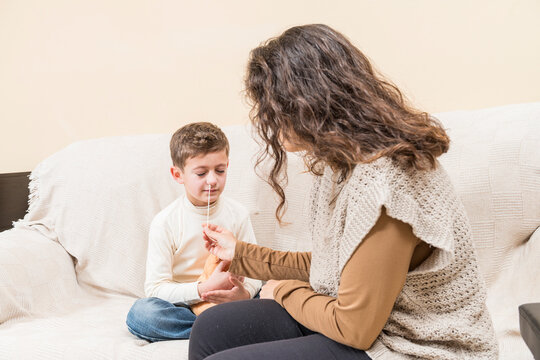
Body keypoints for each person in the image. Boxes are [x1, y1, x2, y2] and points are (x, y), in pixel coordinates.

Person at [188, 24, 498, 359]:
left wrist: (280, 291)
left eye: (271, 106)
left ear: (306, 102)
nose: (265, 118)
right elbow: (336, 267)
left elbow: (354, 328)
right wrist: (243, 255)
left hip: (414, 347)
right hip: (373, 327)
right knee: (212, 328)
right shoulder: (342, 163)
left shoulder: (386, 186)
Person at [126, 122, 261, 342]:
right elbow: (156, 288)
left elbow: (255, 270)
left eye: (220, 170)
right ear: (178, 174)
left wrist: (242, 295)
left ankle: (217, 328)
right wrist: (204, 289)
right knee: (142, 314)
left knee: (273, 294)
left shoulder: (238, 214)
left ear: (228, 165)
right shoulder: (165, 222)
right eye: (201, 173)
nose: (212, 180)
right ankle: (218, 330)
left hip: (231, 302)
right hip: (186, 306)